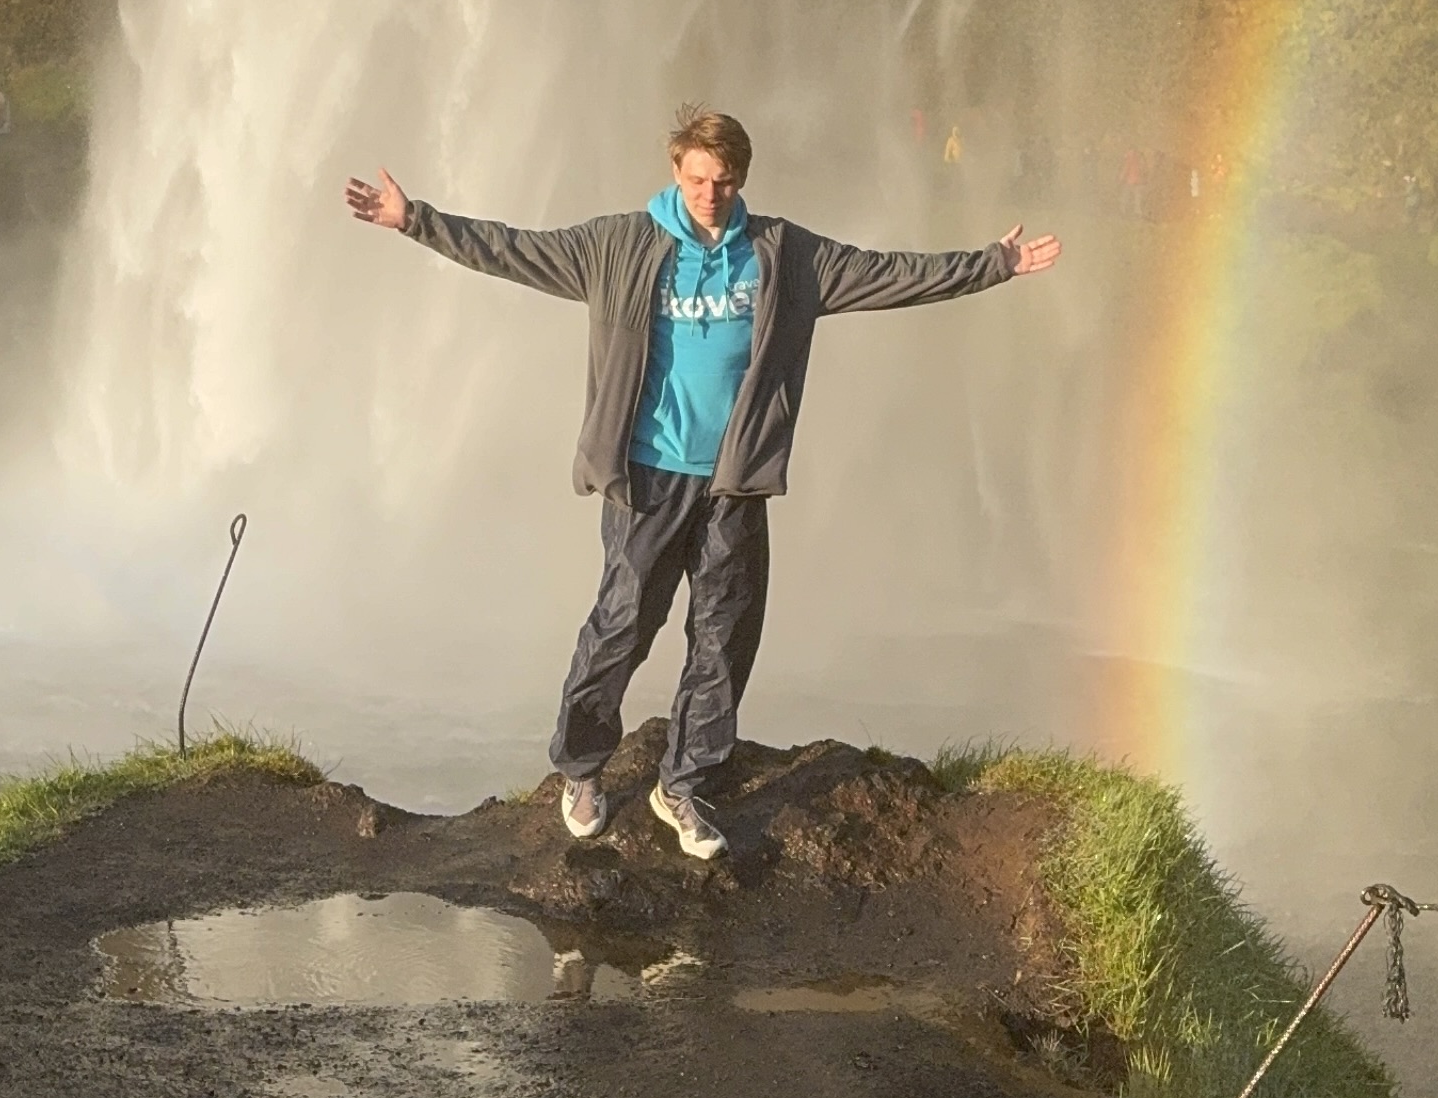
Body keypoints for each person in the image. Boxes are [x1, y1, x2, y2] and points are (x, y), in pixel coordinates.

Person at [346, 104, 1061, 864]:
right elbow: (513, 250)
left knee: (723, 638)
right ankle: (582, 770)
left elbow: (890, 275)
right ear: (675, 172)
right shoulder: (618, 244)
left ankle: (681, 786)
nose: (709, 193)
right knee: (623, 623)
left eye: (723, 181)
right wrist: (413, 218)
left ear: (741, 179)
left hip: (734, 480)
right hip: (648, 475)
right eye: (696, 178)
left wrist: (994, 263)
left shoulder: (784, 254)